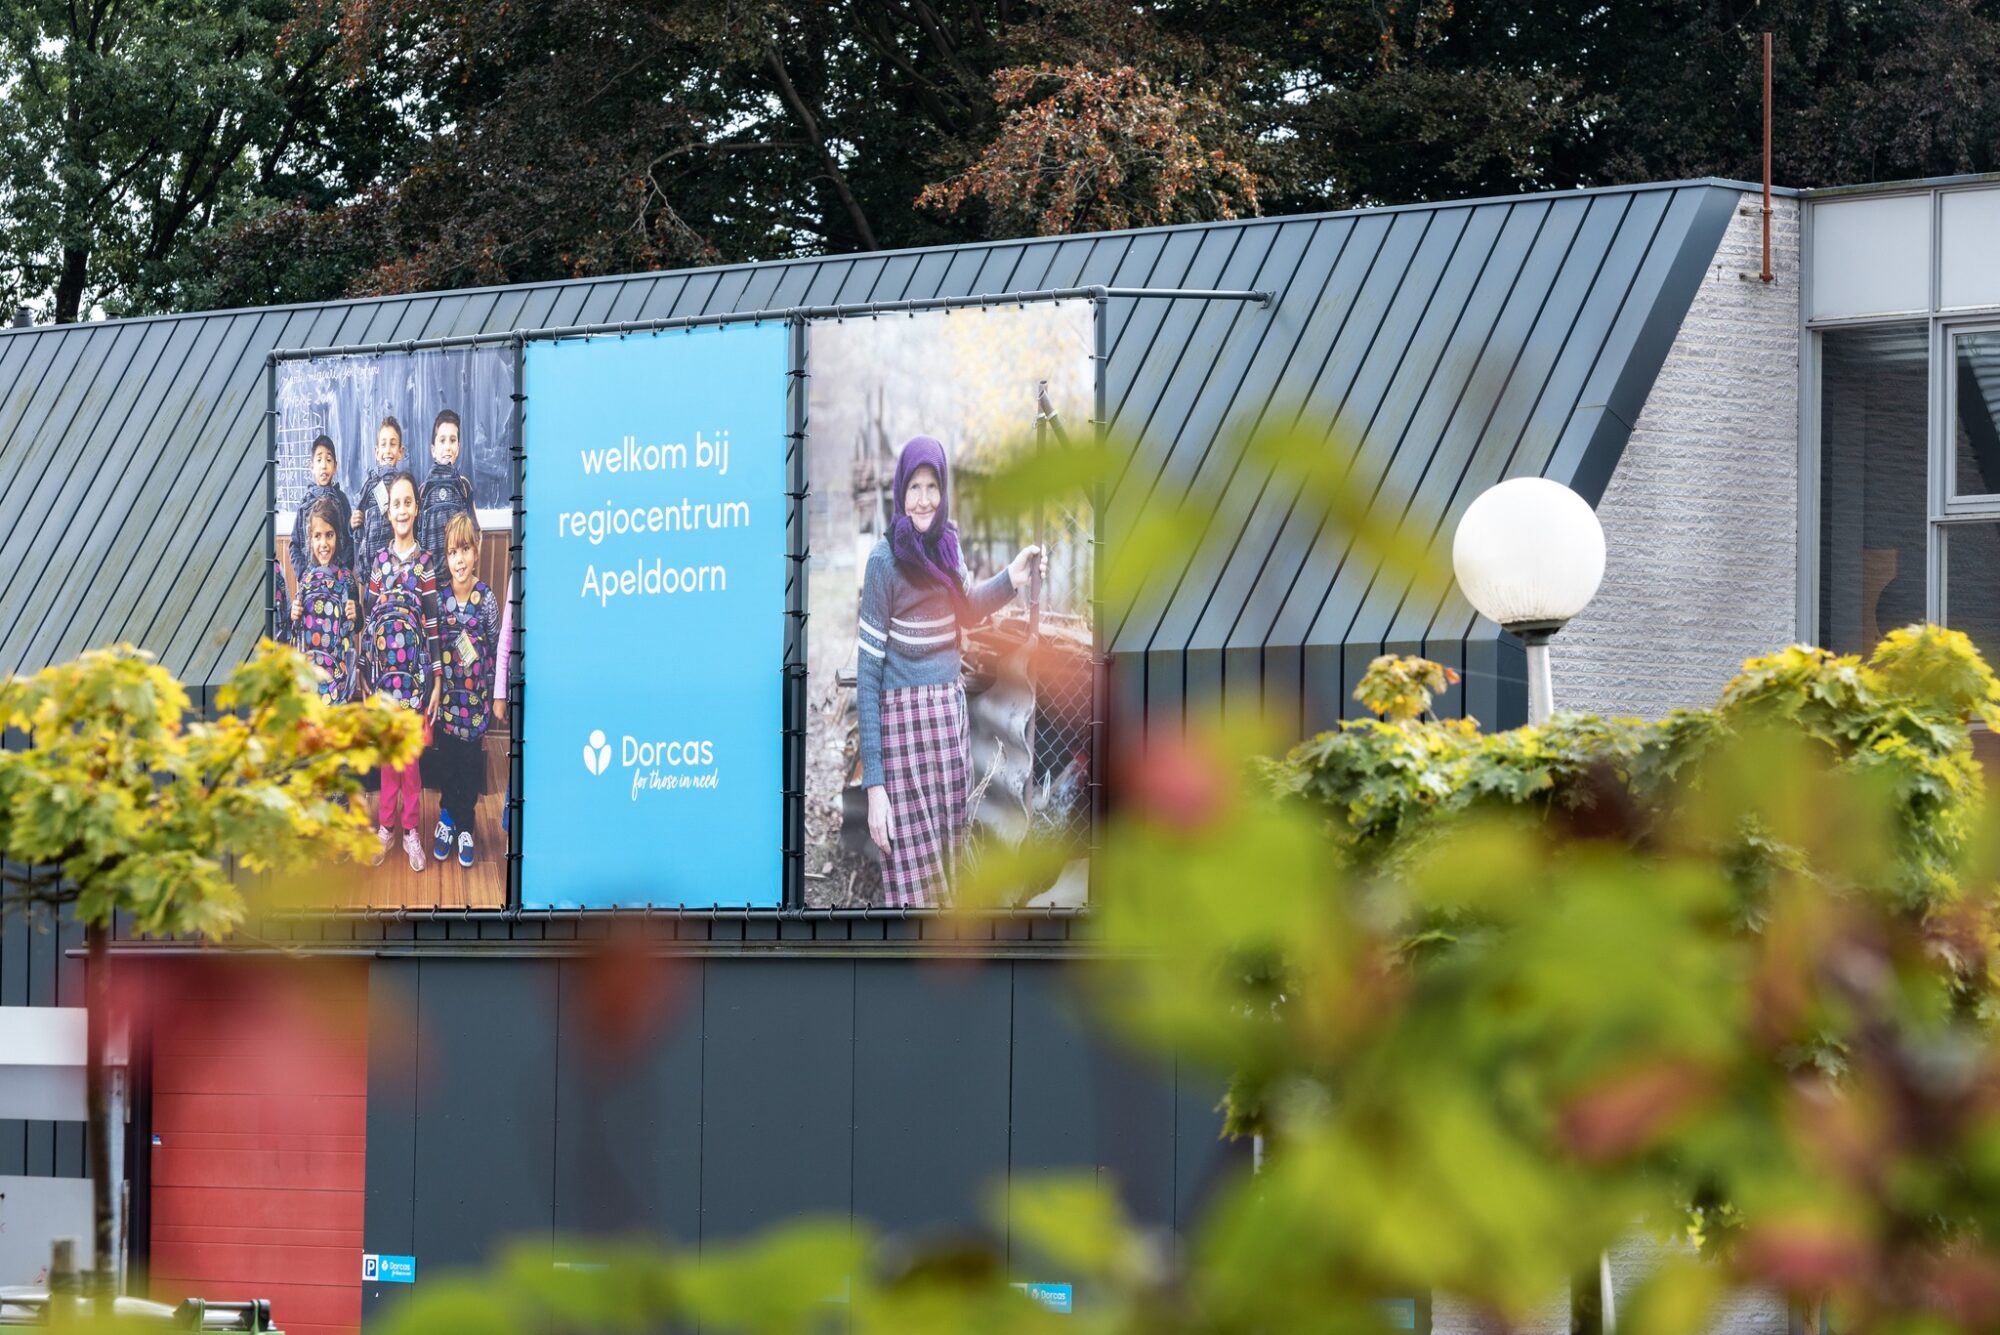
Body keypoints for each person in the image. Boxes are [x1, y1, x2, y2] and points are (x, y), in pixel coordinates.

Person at [855, 435, 1040, 907]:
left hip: (947, 726)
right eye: (913, 487)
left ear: (943, 491)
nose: (922, 499)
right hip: (903, 732)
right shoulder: (883, 563)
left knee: (950, 866)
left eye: (931, 486)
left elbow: (966, 610)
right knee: (912, 878)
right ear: (901, 491)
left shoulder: (947, 548)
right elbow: (868, 673)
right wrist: (875, 785)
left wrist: (1010, 580)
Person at [364, 471, 442, 873]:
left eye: (408, 502)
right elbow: (369, 621)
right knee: (386, 762)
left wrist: (437, 679)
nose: (402, 510)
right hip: (382, 683)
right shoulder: (378, 563)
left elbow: (432, 626)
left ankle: (411, 830)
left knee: (409, 764)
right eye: (396, 503)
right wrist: (362, 673)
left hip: (415, 685)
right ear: (388, 510)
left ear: (416, 507)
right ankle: (386, 826)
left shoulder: (427, 564)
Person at [429, 514, 499, 868]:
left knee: (470, 766)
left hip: (476, 706)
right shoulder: (439, 601)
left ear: (476, 551)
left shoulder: (486, 599)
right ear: (446, 557)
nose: (459, 559)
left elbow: (495, 643)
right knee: (449, 764)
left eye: (465, 550)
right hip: (448, 705)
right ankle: (447, 819)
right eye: (453, 551)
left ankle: (466, 824)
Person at [290, 496, 360, 704]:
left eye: (329, 535)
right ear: (310, 539)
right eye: (317, 536)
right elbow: (295, 627)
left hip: (339, 677)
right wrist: (293, 613)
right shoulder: (306, 579)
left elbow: (358, 624)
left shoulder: (346, 578)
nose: (323, 543)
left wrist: (355, 614)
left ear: (338, 537)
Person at [289, 435, 352, 594]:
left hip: (338, 581)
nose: (324, 466)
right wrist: (303, 573)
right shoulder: (305, 504)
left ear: (335, 466)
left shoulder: (342, 500)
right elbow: (294, 545)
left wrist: (342, 570)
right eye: (319, 460)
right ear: (311, 466)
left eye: (329, 460)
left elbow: (350, 540)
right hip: (310, 582)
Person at [351, 416, 407, 594]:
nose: (388, 450)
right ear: (376, 451)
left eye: (392, 444)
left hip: (398, 572)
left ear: (401, 451)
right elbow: (357, 531)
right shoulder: (368, 485)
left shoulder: (404, 486)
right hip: (372, 574)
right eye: (383, 444)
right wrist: (353, 523)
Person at [417, 408, 478, 567]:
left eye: (452, 440)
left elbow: (475, 531)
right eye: (442, 440)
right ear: (433, 449)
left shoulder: (464, 485)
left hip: (457, 575)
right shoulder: (423, 490)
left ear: (458, 447)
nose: (448, 447)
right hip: (428, 576)